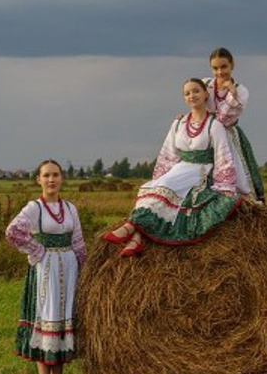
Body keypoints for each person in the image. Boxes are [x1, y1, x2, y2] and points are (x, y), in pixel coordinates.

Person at [103, 78, 241, 257]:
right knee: (152, 188)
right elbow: (168, 153)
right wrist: (159, 177)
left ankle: (131, 229)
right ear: (184, 98)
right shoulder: (178, 124)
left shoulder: (214, 125)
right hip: (179, 169)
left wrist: (225, 186)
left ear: (206, 94)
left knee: (165, 187)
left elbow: (223, 156)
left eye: (196, 91)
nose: (192, 95)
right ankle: (136, 237)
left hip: (200, 172)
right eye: (187, 93)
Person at [6, 160, 86, 374]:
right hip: (46, 271)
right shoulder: (34, 208)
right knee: (47, 322)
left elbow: (79, 243)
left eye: (55, 175)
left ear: (61, 178)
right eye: (46, 176)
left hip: (69, 270)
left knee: (61, 325)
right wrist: (37, 250)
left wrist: (85, 270)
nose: (51, 180)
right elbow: (12, 232)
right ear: (38, 180)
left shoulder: (71, 208)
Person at [206, 46, 265, 200]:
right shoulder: (206, 85)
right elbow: (193, 100)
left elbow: (223, 118)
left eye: (224, 67)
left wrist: (232, 92)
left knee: (238, 175)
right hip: (205, 135)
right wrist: (186, 117)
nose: (220, 72)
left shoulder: (241, 91)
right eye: (215, 68)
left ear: (232, 65)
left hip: (228, 136)